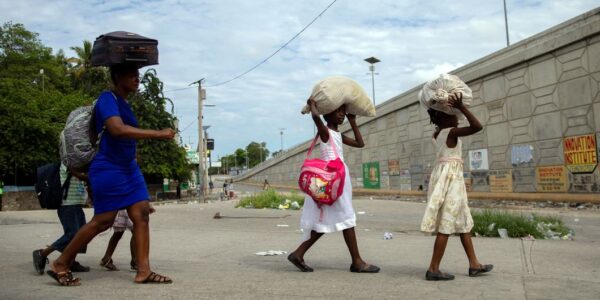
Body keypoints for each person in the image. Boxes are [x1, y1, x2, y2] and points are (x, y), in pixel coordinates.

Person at [46, 63, 175, 286]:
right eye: (132, 74)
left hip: (128, 168)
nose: (137, 78)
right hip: (109, 168)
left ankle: (143, 270)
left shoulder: (124, 103)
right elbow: (117, 129)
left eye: (138, 75)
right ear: (117, 76)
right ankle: (61, 262)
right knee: (103, 221)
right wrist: (158, 133)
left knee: (141, 214)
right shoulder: (108, 98)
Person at [288, 98, 379, 273]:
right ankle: (357, 262)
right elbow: (315, 118)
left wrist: (353, 121)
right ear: (328, 112)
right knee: (347, 216)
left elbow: (360, 144)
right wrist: (313, 105)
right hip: (331, 178)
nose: (341, 115)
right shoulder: (325, 132)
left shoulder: (337, 134)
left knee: (331, 219)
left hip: (338, 178)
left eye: (343, 112)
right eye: (338, 111)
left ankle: (298, 254)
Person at [420, 92, 493, 281]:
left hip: (449, 178)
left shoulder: (437, 133)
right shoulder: (450, 132)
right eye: (453, 114)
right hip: (450, 180)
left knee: (463, 223)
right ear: (444, 117)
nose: (457, 118)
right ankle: (433, 269)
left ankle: (474, 264)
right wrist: (462, 107)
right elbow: (477, 126)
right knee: (447, 223)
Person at [33, 164, 90, 275]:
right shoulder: (67, 164)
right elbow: (78, 174)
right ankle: (43, 253)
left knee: (82, 234)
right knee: (72, 234)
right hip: (67, 205)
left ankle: (70, 261)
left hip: (77, 203)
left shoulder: (81, 164)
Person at [99, 207, 155, 272]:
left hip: (121, 207)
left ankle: (106, 258)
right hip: (129, 207)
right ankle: (135, 262)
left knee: (118, 233)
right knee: (136, 232)